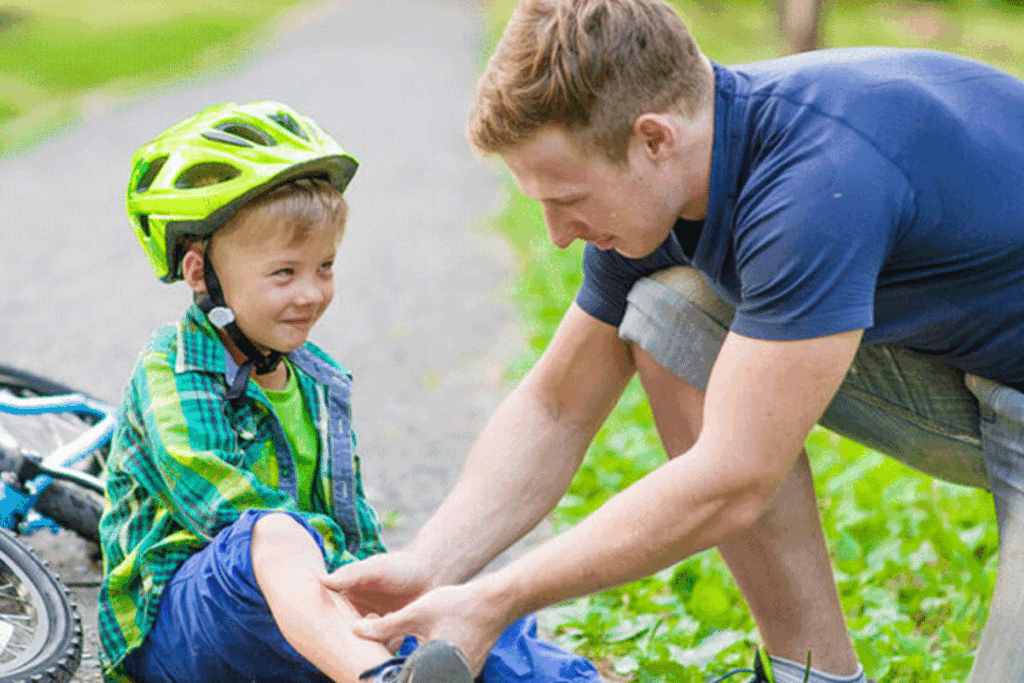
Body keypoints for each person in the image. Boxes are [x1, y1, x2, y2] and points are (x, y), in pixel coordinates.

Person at [323, 2, 1024, 683]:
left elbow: (734, 476)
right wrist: (432, 562)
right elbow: (558, 406)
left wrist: (496, 599)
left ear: (653, 138)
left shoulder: (816, 182)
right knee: (669, 310)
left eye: (567, 200)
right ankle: (812, 673)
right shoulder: (675, 174)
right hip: (973, 373)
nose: (559, 235)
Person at [97, 101, 602, 683]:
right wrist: (352, 585)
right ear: (198, 273)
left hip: (311, 623)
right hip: (186, 633)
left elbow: (354, 527)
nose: (311, 293)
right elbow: (223, 507)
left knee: (453, 604)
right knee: (275, 532)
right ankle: (380, 676)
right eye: (284, 273)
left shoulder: (317, 379)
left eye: (326, 267)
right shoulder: (174, 368)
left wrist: (395, 593)